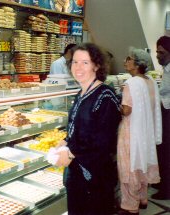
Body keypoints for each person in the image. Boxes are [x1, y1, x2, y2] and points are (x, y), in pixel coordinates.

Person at [53, 43, 122, 214]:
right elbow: (78, 128)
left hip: (95, 177)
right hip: (77, 175)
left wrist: (70, 152)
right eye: (75, 62)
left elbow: (103, 140)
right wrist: (65, 140)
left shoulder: (105, 95)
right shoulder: (81, 93)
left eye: (85, 62)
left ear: (96, 65)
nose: (78, 67)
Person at [117, 48, 162, 215]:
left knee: (129, 166)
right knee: (142, 163)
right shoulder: (149, 80)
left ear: (136, 64)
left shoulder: (131, 83)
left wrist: (116, 104)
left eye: (128, 59)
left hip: (131, 131)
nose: (125, 62)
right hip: (146, 132)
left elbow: (127, 110)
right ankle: (142, 198)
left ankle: (130, 206)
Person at [152, 36, 170, 200]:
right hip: (164, 113)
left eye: (161, 52)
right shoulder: (165, 69)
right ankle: (162, 181)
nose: (158, 56)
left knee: (166, 152)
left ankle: (167, 189)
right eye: (157, 51)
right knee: (162, 149)